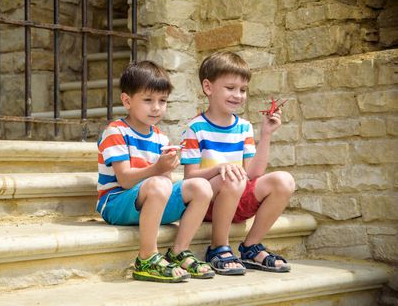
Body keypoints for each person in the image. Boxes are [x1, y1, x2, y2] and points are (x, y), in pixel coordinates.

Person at [96, 60, 215, 283]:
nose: (156, 107)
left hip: (148, 200)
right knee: (159, 183)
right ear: (127, 101)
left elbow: (165, 185)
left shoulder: (160, 137)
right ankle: (147, 258)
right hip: (116, 203)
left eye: (162, 101)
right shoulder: (115, 131)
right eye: (148, 100)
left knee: (201, 186)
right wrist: (157, 169)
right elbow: (124, 180)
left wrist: (166, 169)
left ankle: (179, 251)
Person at [180, 51, 295, 275]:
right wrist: (219, 169)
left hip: (237, 195)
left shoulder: (243, 126)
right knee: (231, 178)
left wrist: (266, 134)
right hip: (208, 203)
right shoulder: (196, 128)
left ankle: (251, 247)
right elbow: (189, 177)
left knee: (284, 181)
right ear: (208, 87)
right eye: (230, 88)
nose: (238, 95)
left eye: (242, 90)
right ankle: (218, 247)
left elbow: (253, 173)